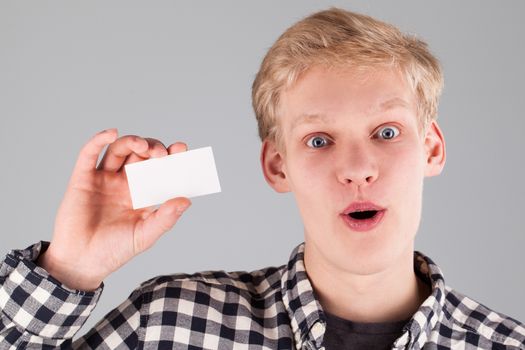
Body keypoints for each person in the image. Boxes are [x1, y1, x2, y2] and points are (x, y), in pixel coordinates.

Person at [1, 7, 524, 350]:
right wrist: (67, 268)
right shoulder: (169, 322)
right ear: (277, 166)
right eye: (319, 140)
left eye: (386, 132)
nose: (358, 168)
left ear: (431, 147)